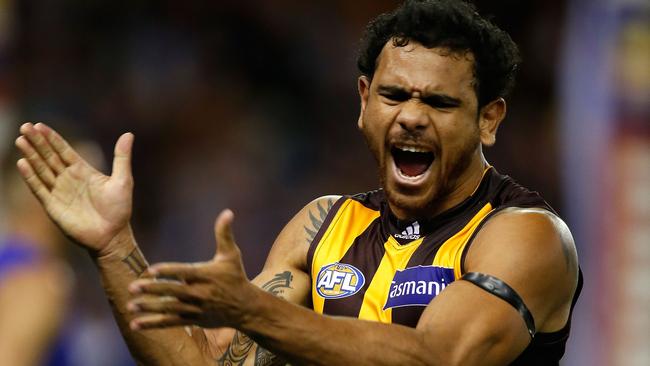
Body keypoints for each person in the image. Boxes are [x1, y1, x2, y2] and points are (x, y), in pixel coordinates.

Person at [14, 1, 582, 365]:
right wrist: (114, 246)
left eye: (439, 101)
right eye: (393, 96)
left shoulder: (526, 236)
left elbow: (436, 358)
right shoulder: (324, 226)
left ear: (489, 118)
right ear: (364, 103)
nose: (411, 116)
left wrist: (253, 311)